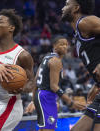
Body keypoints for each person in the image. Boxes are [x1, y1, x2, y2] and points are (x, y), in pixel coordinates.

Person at [25, 36, 85, 131]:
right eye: (61, 44)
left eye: (66, 44)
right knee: (49, 129)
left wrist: (33, 100)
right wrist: (70, 102)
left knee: (44, 128)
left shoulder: (46, 57)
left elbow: (36, 80)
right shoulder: (56, 61)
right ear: (54, 46)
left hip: (42, 96)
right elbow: (54, 86)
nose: (65, 46)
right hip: (46, 97)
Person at [61, 0, 100, 130]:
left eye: (67, 4)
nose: (63, 7)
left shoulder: (84, 22)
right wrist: (96, 84)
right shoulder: (78, 33)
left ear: (76, 8)